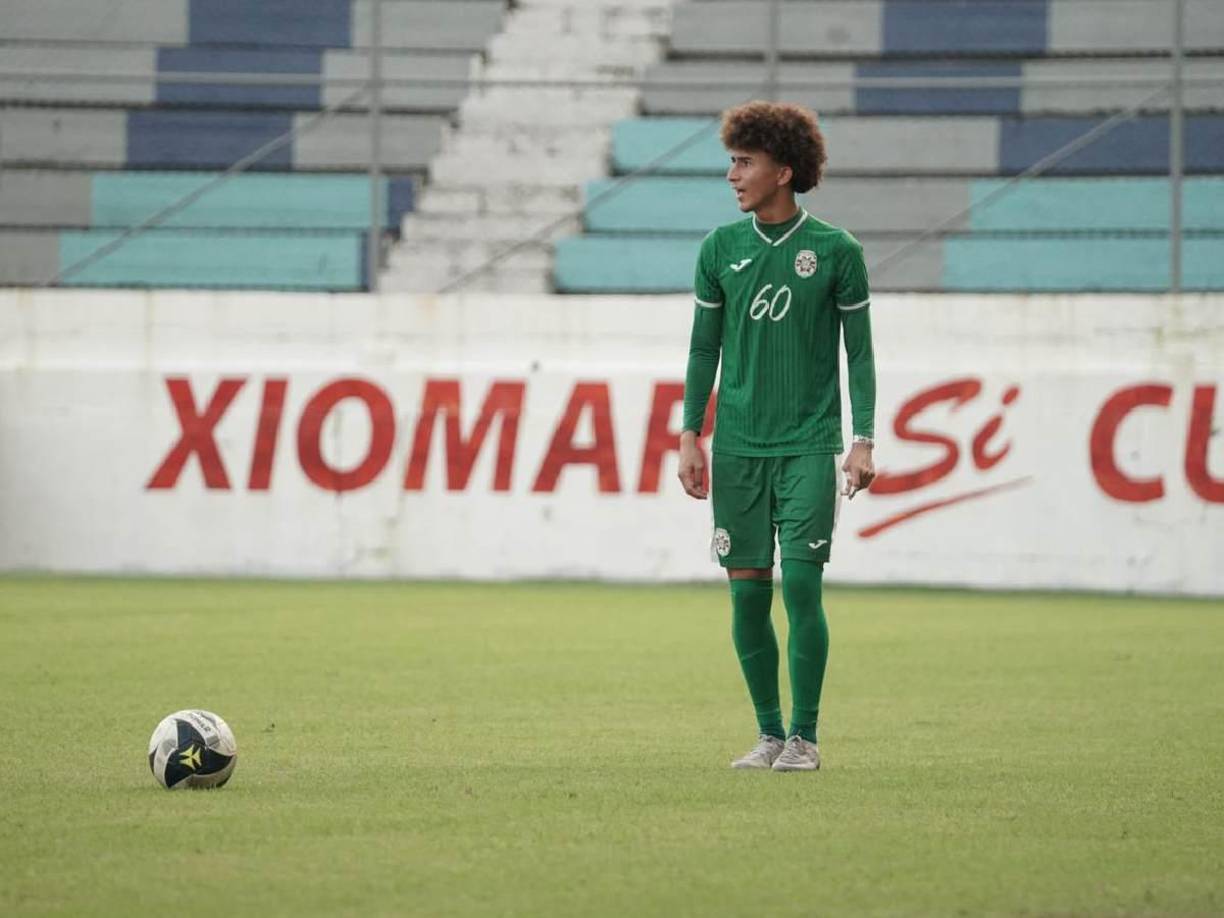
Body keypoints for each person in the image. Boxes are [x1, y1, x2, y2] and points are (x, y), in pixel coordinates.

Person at [678, 100, 877, 772]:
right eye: (732, 162)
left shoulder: (836, 251)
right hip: (736, 449)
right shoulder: (718, 250)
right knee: (746, 592)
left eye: (744, 162)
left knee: (801, 588)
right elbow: (703, 350)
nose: (732, 175)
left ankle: (805, 738)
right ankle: (767, 734)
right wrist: (688, 435)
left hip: (806, 446)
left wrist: (864, 439)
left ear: (783, 170)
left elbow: (862, 355)